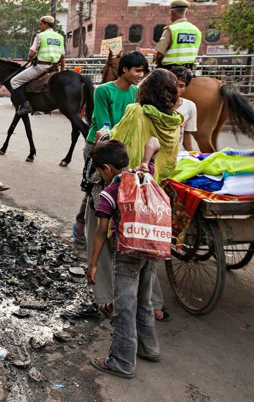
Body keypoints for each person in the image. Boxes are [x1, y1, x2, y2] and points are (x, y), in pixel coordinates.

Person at [93, 69, 184, 322]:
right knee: (147, 252)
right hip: (154, 191)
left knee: (107, 237)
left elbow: (117, 141)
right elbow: (169, 163)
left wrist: (103, 136)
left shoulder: (136, 111)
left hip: (128, 189)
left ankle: (111, 301)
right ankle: (153, 306)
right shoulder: (174, 122)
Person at [88, 139, 162, 379]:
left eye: (100, 172)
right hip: (150, 250)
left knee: (124, 307)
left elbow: (101, 231)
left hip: (127, 254)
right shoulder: (143, 176)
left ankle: (122, 361)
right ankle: (149, 348)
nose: (101, 176)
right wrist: (146, 160)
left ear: (107, 168)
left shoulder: (110, 192)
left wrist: (93, 264)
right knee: (144, 300)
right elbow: (154, 142)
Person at [76, 51, 148, 246]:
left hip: (122, 146)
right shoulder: (103, 91)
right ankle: (84, 225)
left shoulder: (136, 93)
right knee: (95, 188)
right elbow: (103, 123)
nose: (140, 75)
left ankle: (105, 228)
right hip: (100, 145)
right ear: (124, 69)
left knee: (113, 189)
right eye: (137, 70)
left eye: (143, 71)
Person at [10, 15, 65, 116]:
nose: (40, 26)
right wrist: (62, 71)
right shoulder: (60, 37)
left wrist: (31, 57)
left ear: (46, 25)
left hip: (40, 68)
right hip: (54, 69)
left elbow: (31, 54)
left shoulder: (40, 36)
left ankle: (26, 105)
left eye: (41, 24)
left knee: (14, 81)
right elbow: (62, 57)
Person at [155, 0, 202, 70]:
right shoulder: (196, 30)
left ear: (172, 12)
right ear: (186, 13)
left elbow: (159, 55)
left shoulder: (171, 29)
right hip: (188, 70)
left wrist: (157, 64)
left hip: (170, 70)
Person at [171, 66, 198, 151]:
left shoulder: (190, 106)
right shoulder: (156, 104)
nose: (176, 89)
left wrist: (192, 154)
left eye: (181, 86)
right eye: (174, 85)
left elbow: (186, 134)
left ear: (186, 87)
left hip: (176, 154)